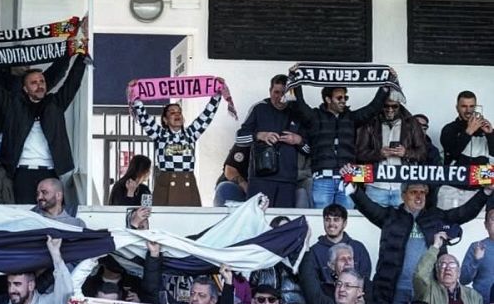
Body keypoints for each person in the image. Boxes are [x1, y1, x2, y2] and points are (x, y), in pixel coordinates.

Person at [349, 175, 492, 304]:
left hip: (427, 291)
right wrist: (353, 188)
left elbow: (464, 213)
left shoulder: (435, 216)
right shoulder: (391, 216)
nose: (419, 197)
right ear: (403, 195)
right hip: (396, 291)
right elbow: (368, 207)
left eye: (423, 193)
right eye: (414, 192)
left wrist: (485, 192)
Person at [0, 55, 89, 204]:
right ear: (25, 89)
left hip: (50, 172)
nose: (39, 85)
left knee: (53, 214)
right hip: (22, 174)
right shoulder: (13, 105)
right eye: (33, 83)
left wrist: (81, 58)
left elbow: (72, 84)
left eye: (42, 81)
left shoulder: (55, 104)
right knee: (23, 215)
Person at [287, 78, 391, 209]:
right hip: (322, 178)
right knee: (322, 216)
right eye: (339, 98)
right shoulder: (315, 117)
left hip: (349, 176)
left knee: (347, 216)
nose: (343, 101)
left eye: (345, 97)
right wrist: (295, 80)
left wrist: (385, 87)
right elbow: (299, 105)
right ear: (328, 99)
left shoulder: (351, 117)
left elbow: (372, 109)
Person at [132, 88, 224, 206]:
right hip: (166, 187)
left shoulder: (190, 134)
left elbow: (206, 117)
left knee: (189, 217)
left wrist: (217, 95)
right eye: (172, 112)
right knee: (163, 217)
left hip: (187, 185)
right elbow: (145, 119)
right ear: (165, 120)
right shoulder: (160, 135)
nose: (177, 114)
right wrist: (135, 96)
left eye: (179, 112)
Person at [235, 74, 307, 207]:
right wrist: (259, 135)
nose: (279, 97)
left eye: (283, 93)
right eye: (276, 92)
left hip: (287, 180)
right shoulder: (259, 108)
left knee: (283, 219)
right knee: (256, 217)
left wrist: (298, 140)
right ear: (270, 91)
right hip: (260, 179)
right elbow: (239, 139)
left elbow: (310, 149)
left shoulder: (298, 112)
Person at [355, 93, 427, 207]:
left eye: (394, 106)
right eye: (386, 106)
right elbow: (359, 153)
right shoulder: (371, 122)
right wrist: (379, 154)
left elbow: (423, 153)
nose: (390, 110)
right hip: (375, 185)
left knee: (403, 218)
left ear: (400, 104)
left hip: (402, 186)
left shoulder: (411, 123)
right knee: (371, 217)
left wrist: (406, 153)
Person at [439, 90, 494, 210]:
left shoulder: (486, 130)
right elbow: (452, 153)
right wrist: (468, 132)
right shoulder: (449, 129)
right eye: (464, 106)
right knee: (448, 221)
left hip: (480, 189)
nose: (468, 110)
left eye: (472, 106)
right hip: (453, 188)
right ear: (457, 108)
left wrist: (490, 135)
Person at [306, 204, 372, 285]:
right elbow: (312, 284)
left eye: (336, 220)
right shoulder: (314, 252)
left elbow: (364, 282)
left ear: (344, 223)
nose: (331, 224)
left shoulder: (358, 248)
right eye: (327, 220)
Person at [461, 208, 494, 304]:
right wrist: (476, 261)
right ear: (486, 225)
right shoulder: (477, 247)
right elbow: (463, 280)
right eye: (493, 219)